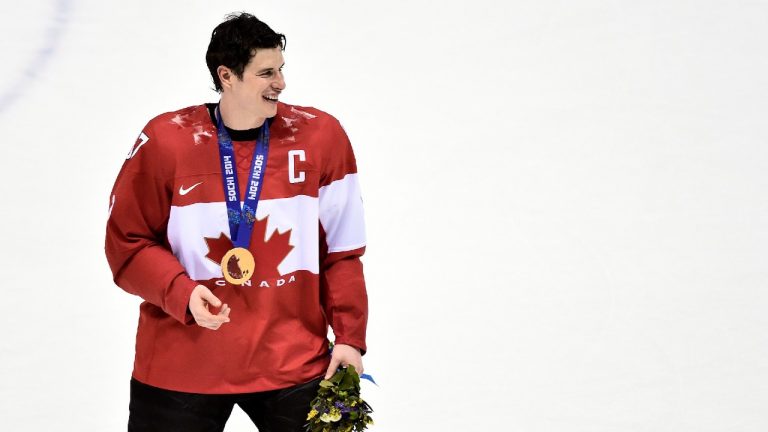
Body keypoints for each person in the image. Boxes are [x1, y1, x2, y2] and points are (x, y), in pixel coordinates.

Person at [104, 12, 369, 432]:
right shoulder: (166, 141)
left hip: (293, 362)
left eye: (281, 69)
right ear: (226, 75)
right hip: (183, 365)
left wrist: (351, 338)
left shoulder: (321, 137)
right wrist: (182, 293)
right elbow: (127, 243)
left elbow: (341, 250)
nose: (280, 82)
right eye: (266, 72)